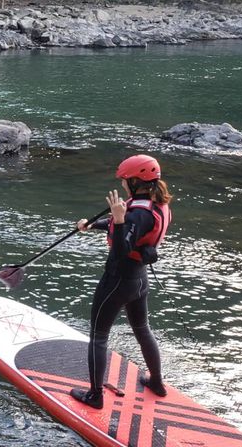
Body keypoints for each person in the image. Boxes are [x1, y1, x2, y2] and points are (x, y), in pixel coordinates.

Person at [69, 154, 173, 409]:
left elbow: (120, 250)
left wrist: (117, 219)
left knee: (98, 337)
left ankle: (95, 396)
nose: (123, 183)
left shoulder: (137, 212)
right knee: (142, 329)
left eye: (125, 179)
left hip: (118, 280)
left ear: (136, 181)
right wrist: (93, 225)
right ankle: (156, 382)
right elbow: (129, 229)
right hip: (139, 280)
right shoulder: (155, 202)